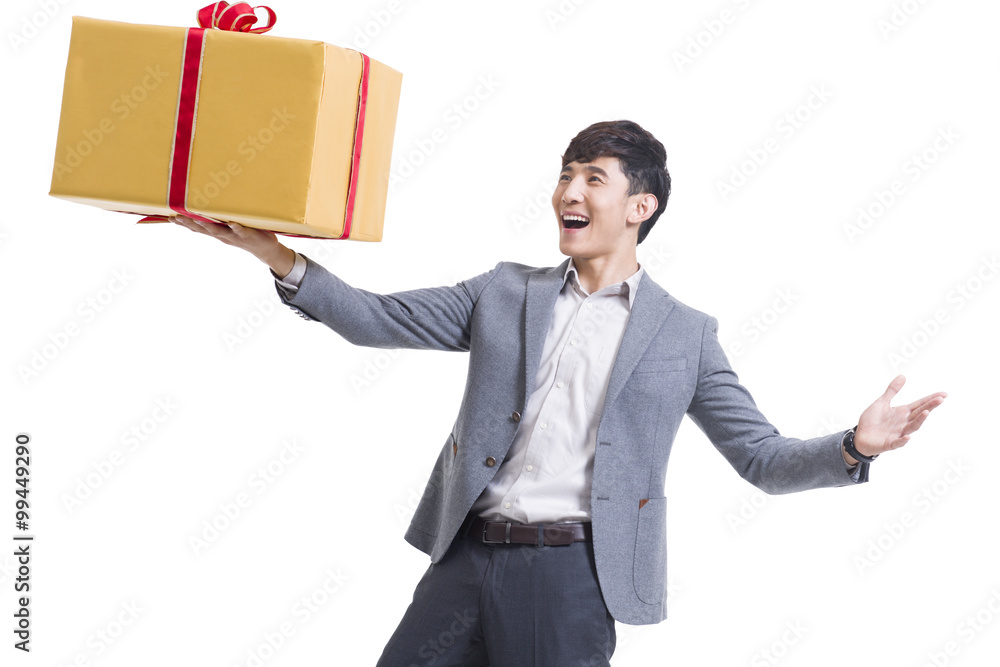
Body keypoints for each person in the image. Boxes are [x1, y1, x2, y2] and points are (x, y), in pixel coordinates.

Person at [171, 120, 946, 666]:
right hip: (464, 561)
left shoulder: (687, 336)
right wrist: (272, 252)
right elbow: (374, 318)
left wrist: (854, 444)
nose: (568, 191)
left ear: (639, 208)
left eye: (592, 179)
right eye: (565, 175)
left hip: (574, 576)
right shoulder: (504, 291)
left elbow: (760, 456)